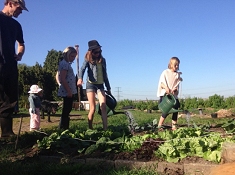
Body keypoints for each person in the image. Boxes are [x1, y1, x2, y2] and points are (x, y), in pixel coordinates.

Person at [0, 0, 28, 137]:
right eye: (19, 8)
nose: (21, 11)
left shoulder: (16, 25)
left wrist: (20, 54)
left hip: (10, 65)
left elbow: (21, 44)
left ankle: (7, 133)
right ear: (10, 3)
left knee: (10, 99)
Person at [77, 40, 112, 130]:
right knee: (92, 108)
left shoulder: (103, 60)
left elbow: (105, 75)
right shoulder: (87, 60)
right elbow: (82, 69)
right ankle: (90, 129)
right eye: (96, 52)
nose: (98, 53)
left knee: (103, 106)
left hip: (100, 85)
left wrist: (108, 87)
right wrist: (80, 79)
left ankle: (105, 129)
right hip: (91, 85)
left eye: (100, 51)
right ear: (91, 52)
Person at [157, 57, 182, 131]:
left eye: (178, 65)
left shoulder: (177, 75)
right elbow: (161, 83)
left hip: (173, 96)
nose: (177, 67)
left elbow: (177, 86)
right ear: (171, 64)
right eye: (175, 65)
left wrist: (175, 90)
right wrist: (166, 88)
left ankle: (174, 126)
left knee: (176, 109)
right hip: (166, 95)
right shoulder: (165, 72)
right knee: (166, 110)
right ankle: (159, 125)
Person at [57, 46, 77, 129]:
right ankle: (63, 128)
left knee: (67, 110)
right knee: (66, 110)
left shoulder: (65, 64)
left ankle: (64, 127)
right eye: (72, 56)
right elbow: (63, 78)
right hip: (67, 91)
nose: (73, 58)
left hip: (69, 90)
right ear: (67, 55)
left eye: (74, 57)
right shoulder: (65, 64)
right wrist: (69, 91)